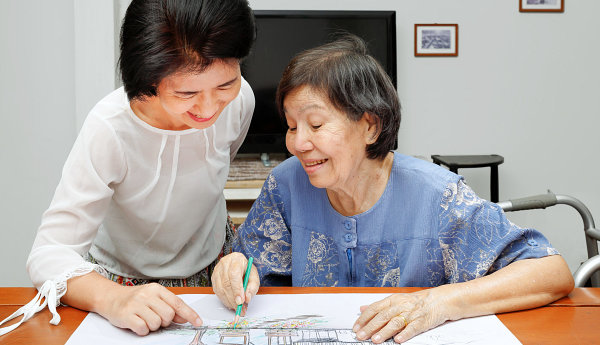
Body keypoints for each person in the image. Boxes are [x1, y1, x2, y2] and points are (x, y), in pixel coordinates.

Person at [210, 34, 574, 343]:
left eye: (316, 125)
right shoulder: (286, 184)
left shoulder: (437, 194)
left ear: (370, 126)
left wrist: (437, 303)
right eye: (292, 126)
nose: (298, 143)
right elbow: (253, 267)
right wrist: (236, 267)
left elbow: (549, 271)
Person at [22, 0, 255, 336]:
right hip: (121, 283)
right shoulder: (109, 128)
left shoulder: (240, 100)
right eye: (186, 92)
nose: (209, 108)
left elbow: (216, 167)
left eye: (224, 85)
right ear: (149, 79)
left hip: (214, 272)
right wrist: (114, 299)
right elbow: (48, 254)